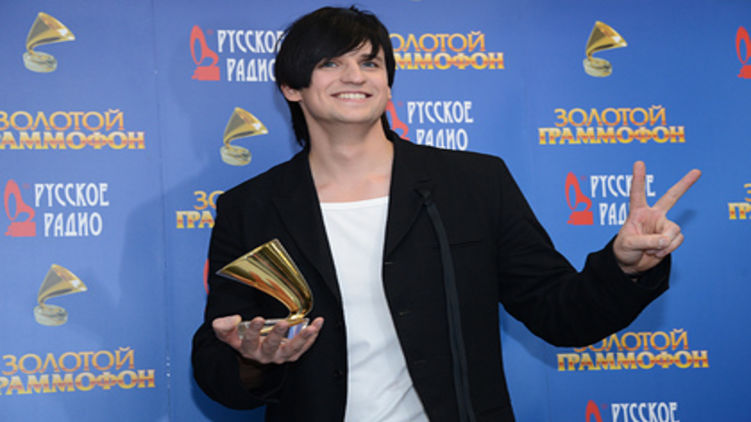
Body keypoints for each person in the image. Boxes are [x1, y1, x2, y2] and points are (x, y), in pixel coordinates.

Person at [192, 6, 701, 422]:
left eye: (370, 63)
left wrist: (624, 267)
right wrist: (253, 360)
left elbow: (560, 312)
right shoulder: (250, 207)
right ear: (291, 86)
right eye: (331, 63)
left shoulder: (473, 183)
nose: (355, 76)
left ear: (388, 83)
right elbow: (217, 359)